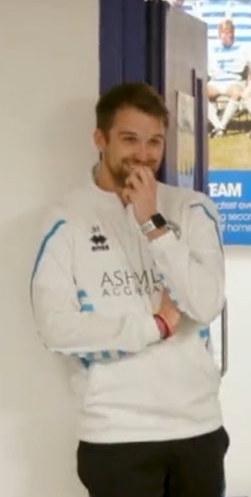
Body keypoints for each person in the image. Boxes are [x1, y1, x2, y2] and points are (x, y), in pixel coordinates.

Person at [29, 82, 229, 497]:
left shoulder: (192, 209)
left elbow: (206, 305)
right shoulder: (65, 219)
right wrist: (153, 326)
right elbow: (56, 328)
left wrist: (152, 221)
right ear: (100, 139)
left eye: (154, 141)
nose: (144, 154)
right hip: (116, 436)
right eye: (130, 139)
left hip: (198, 428)